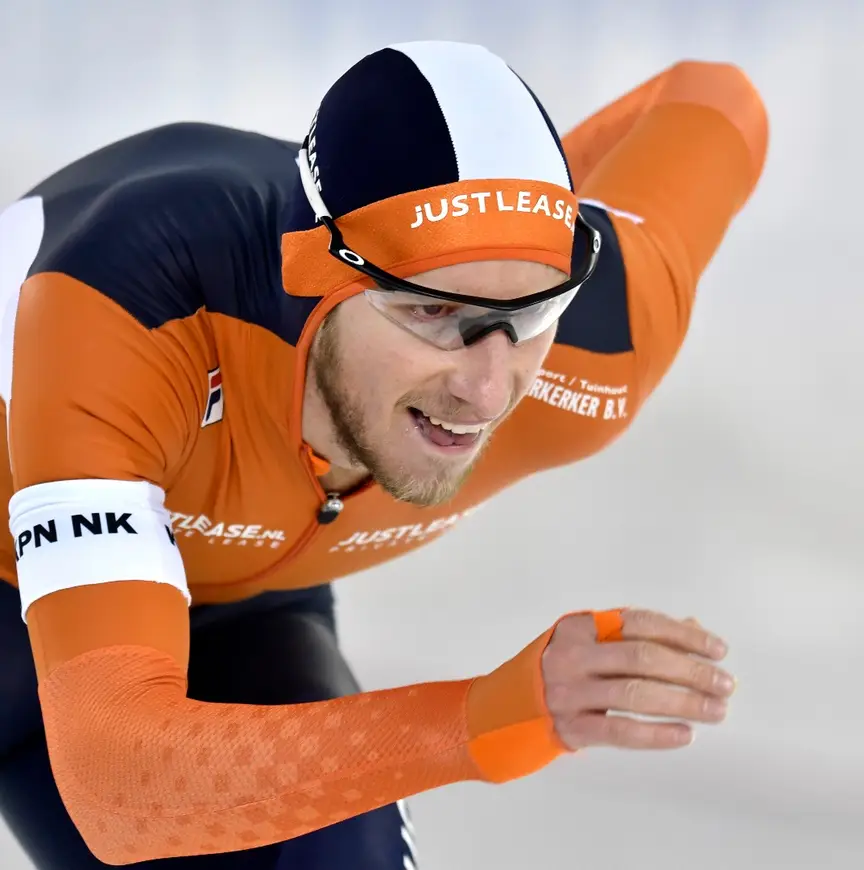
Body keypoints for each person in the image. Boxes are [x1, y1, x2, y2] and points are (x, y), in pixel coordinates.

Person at [0, 39, 767, 869]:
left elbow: (716, 96)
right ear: (315, 275)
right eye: (434, 312)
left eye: (534, 312)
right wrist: (480, 718)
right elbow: (119, 789)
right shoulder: (132, 304)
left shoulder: (606, 339)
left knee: (342, 847)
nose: (487, 390)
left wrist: (502, 227)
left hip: (241, 607)